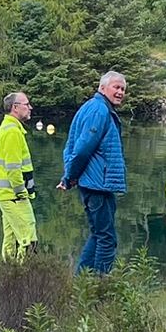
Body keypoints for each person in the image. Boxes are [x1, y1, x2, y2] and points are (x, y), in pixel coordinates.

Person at [59, 70, 128, 275]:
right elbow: (81, 148)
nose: (120, 92)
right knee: (107, 240)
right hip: (96, 184)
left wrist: (70, 176)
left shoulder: (96, 108)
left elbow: (72, 146)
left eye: (123, 89)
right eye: (116, 87)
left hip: (97, 183)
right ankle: (99, 287)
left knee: (98, 234)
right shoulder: (98, 110)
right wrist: (69, 176)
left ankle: (83, 282)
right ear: (102, 87)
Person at [0, 90, 39, 260]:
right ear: (15, 107)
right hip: (14, 196)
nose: (30, 108)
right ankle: (24, 279)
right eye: (26, 104)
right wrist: (21, 193)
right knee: (28, 240)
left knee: (11, 239)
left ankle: (7, 276)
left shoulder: (8, 128)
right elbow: (13, 168)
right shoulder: (12, 132)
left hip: (8, 196)